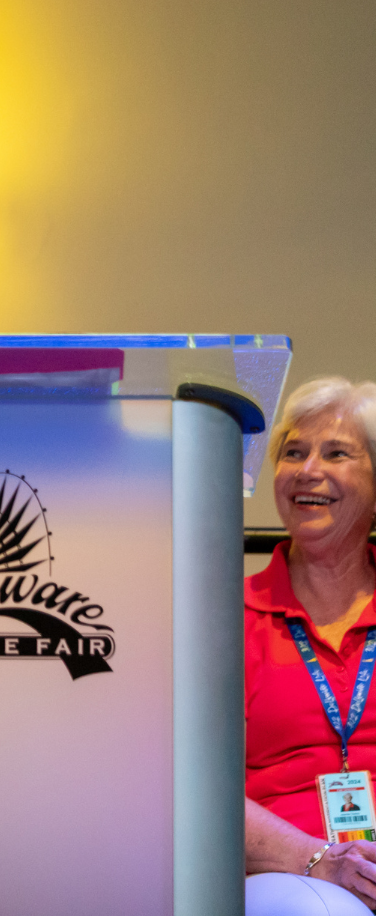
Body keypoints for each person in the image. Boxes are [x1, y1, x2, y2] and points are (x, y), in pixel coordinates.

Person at [244, 377, 376, 914]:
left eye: (336, 453)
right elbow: (188, 788)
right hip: (290, 874)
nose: (307, 470)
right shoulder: (224, 620)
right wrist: (320, 858)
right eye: (292, 452)